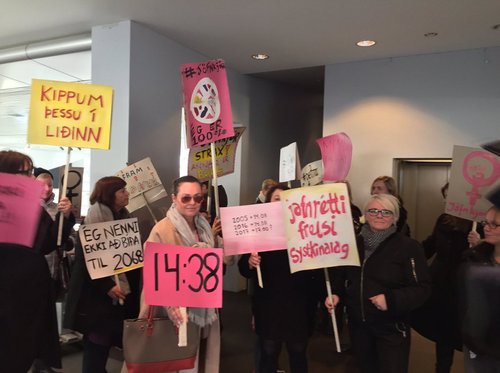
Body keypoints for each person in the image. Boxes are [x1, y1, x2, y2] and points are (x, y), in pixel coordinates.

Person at [325, 193, 431, 373]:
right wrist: (335, 294)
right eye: (373, 211)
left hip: (391, 329)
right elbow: (342, 277)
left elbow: (422, 288)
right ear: (365, 215)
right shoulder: (352, 244)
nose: (379, 215)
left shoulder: (408, 247)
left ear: (395, 217)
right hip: (359, 328)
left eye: (386, 212)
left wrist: (390, 299)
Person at [0, 150, 74, 373]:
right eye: (26, 173)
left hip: (30, 293)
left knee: (23, 350)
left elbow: (49, 243)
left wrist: (65, 217)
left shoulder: (33, 207)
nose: (32, 179)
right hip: (7, 295)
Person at [139, 175, 220, 373]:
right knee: (172, 359)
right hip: (171, 309)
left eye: (198, 198)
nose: (193, 203)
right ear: (174, 198)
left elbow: (214, 262)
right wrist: (170, 302)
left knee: (193, 359)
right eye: (186, 198)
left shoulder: (204, 228)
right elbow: (151, 271)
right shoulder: (162, 229)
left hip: (200, 303)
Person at [64, 176, 140, 373]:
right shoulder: (94, 219)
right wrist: (108, 286)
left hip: (116, 291)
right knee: (97, 339)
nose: (127, 194)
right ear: (109, 195)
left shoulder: (123, 216)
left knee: (105, 339)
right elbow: (89, 262)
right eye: (122, 191)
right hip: (97, 294)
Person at [239, 183, 314, 373]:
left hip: (299, 303)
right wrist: (250, 262)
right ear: (268, 203)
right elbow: (244, 270)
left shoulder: (305, 230)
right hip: (268, 303)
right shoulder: (257, 232)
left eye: (285, 200)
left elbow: (318, 273)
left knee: (298, 352)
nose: (281, 204)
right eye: (276, 199)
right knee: (268, 351)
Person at [411, 182, 477, 373]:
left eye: (449, 197)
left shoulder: (478, 224)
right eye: (445, 197)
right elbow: (431, 244)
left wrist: (479, 243)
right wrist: (409, 255)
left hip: (464, 288)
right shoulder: (443, 220)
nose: (446, 201)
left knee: (468, 337)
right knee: (443, 335)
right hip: (440, 286)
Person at [460, 205, 500, 372]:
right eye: (486, 222)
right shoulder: (475, 257)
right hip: (478, 344)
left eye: (494, 224)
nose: (486, 228)